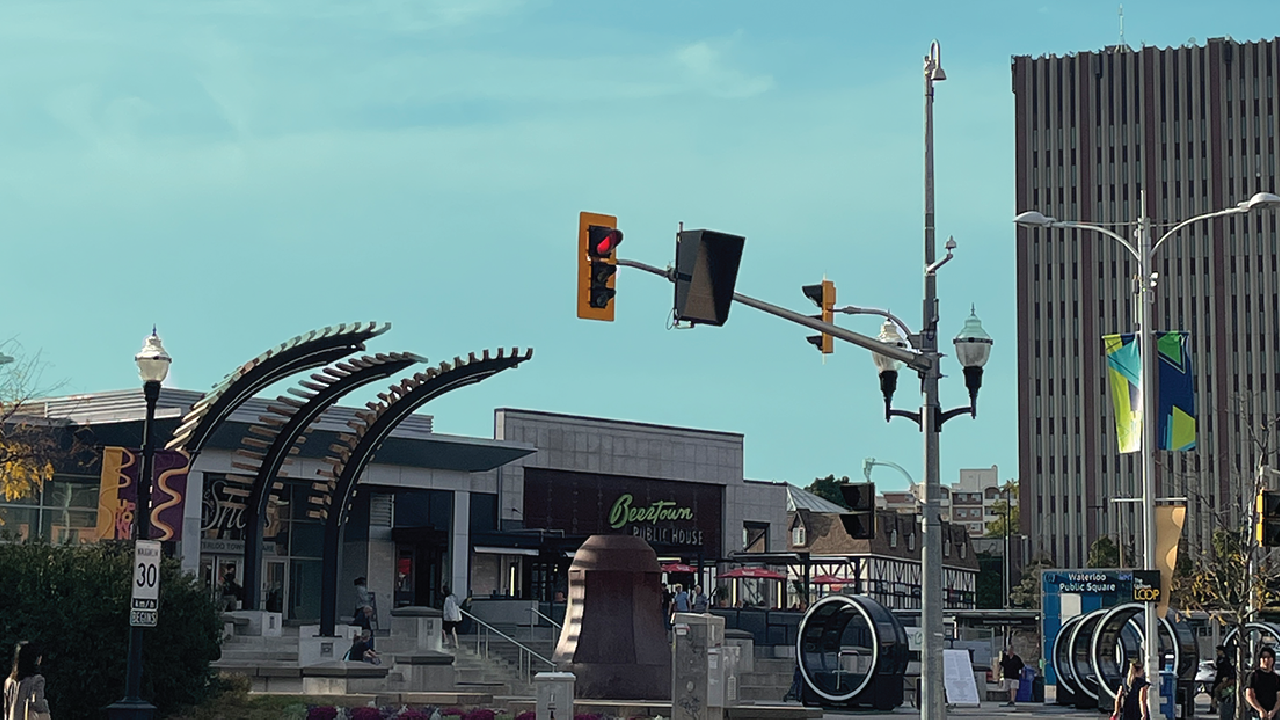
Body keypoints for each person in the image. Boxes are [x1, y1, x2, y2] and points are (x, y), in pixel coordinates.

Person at [4, 641, 50, 720]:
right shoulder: (37, 680)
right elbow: (38, 705)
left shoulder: (9, 681)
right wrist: (45, 705)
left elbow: (6, 708)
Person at [1248, 647, 1280, 719]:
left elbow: (1279, 697)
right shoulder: (1254, 675)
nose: (1266, 660)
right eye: (1264, 657)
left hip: (1272, 715)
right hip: (1257, 715)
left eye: (1269, 657)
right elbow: (1249, 695)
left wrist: (1274, 710)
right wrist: (1260, 710)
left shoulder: (1276, 678)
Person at [1211, 644, 1235, 713]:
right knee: (1213, 690)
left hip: (1225, 678)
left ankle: (1216, 705)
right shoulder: (1219, 659)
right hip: (1219, 677)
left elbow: (1228, 669)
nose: (1217, 653)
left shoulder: (1226, 659)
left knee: (1217, 690)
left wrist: (1227, 677)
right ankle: (1213, 706)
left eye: (1219, 651)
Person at [442, 585, 462, 649]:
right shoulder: (454, 597)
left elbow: (449, 609)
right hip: (454, 618)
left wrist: (451, 617)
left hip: (449, 618)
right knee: (453, 630)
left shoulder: (447, 599)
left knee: (445, 630)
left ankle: (447, 642)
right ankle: (455, 643)